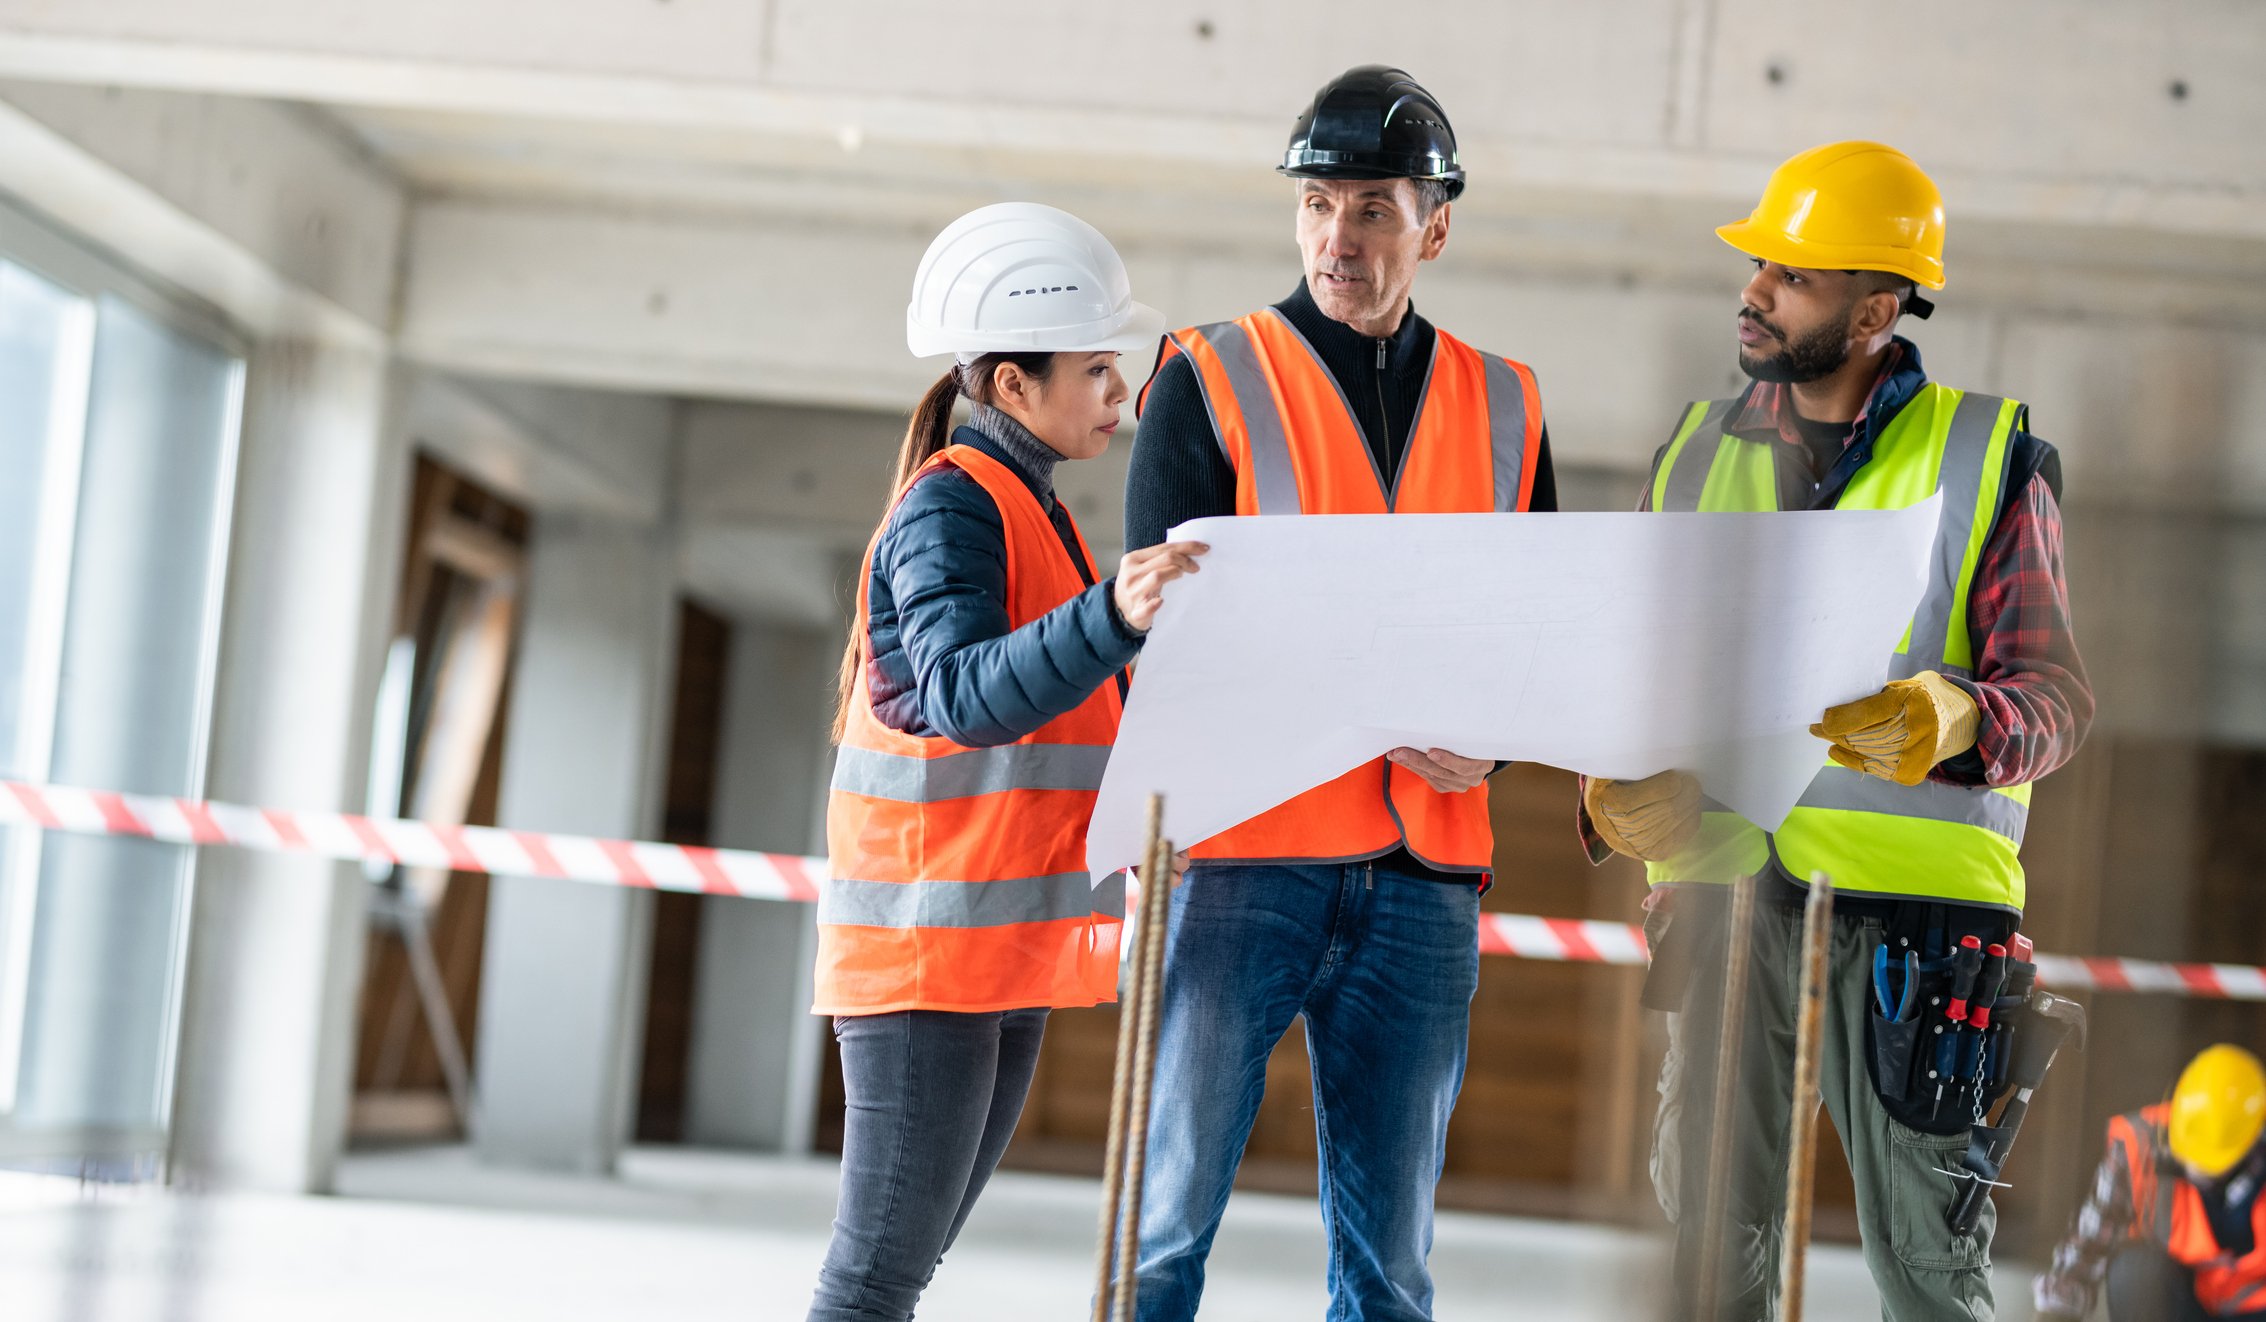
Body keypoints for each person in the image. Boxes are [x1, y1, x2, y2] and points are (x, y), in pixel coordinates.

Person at [1580, 140, 2094, 1320]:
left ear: (1875, 306)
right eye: (1758, 264)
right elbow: (1628, 682)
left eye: (1794, 276)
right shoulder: (1694, 452)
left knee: (1924, 1264)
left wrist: (1960, 715)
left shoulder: (1987, 453)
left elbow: (2054, 696)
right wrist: (1611, 794)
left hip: (1921, 933)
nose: (1754, 290)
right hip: (1719, 905)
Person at [1121, 65, 1557, 1321]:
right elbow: (1170, 638)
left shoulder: (1506, 401)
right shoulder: (1208, 371)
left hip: (1423, 877)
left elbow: (1532, 629)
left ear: (1435, 223)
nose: (1338, 238)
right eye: (1317, 203)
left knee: (1392, 1262)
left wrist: (1496, 745)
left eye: (1372, 206)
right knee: (1161, 1218)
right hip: (1244, 860)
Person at [807, 201, 1203, 1322]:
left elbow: (1073, 710)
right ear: (1012, 386)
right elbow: (960, 695)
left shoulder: (1029, 509)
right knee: (874, 1277)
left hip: (997, 952)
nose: (1119, 392)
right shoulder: (949, 508)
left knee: (899, 1270)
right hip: (928, 959)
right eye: (1094, 368)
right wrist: (1113, 615)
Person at [2038, 1045, 2266, 1322]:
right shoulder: (2139, 1146)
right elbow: (2089, 1244)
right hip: (2185, 1303)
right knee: (2134, 1271)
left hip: (2256, 1309)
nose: (2194, 1169)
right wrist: (2056, 1314)